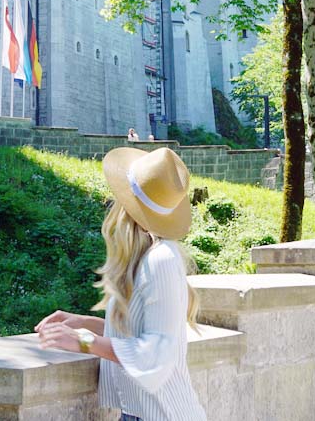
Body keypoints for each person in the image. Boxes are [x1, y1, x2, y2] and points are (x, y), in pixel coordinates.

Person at [35, 147, 206, 421]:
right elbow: (139, 334)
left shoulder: (162, 259)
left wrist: (83, 341)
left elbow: (155, 352)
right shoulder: (147, 256)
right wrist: (82, 322)